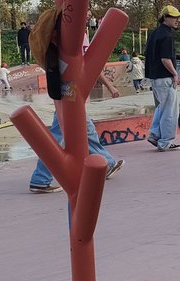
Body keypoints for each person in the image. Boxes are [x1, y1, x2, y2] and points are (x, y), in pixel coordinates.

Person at [29, 18, 124, 193]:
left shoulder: (58, 34)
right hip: (72, 88)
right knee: (61, 135)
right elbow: (90, 64)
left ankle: (107, 162)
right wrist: (109, 85)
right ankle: (40, 178)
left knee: (84, 130)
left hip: (62, 84)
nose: (89, 14)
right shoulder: (77, 35)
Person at [145, 5, 180, 152]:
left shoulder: (155, 33)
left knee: (161, 108)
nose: (177, 20)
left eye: (178, 17)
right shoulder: (167, 35)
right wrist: (174, 74)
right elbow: (165, 59)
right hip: (165, 77)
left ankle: (155, 135)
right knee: (170, 111)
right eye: (174, 17)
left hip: (155, 77)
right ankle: (165, 141)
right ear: (165, 18)